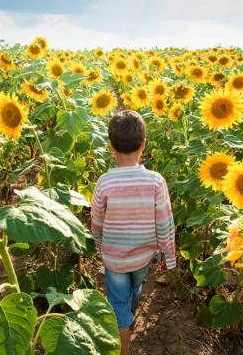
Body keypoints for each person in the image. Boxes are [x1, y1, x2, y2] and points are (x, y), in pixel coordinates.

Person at [91, 109, 176, 355]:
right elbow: (164, 221)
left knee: (118, 302)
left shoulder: (105, 182)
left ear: (111, 148)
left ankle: (123, 345)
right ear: (144, 145)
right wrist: (168, 256)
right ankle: (127, 327)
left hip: (115, 258)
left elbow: (97, 220)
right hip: (143, 257)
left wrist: (99, 243)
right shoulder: (155, 181)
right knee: (134, 290)